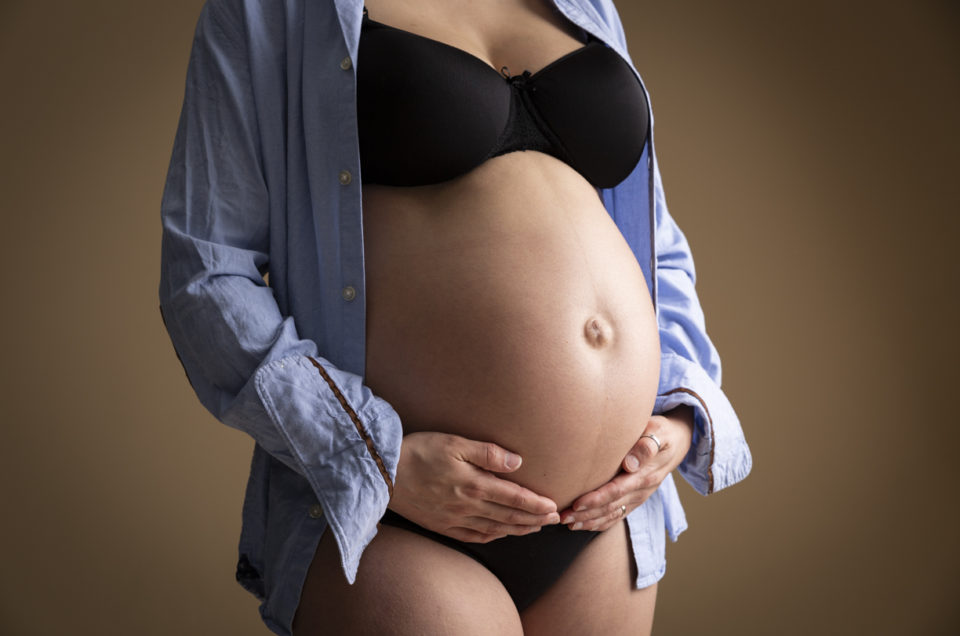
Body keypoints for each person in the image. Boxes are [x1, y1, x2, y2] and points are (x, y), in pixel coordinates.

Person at [158, 0, 752, 634]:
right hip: (396, 513)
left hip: (602, 516)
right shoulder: (276, 9)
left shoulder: (587, 7)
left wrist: (678, 418)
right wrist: (375, 461)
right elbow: (206, 270)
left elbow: (654, 247)